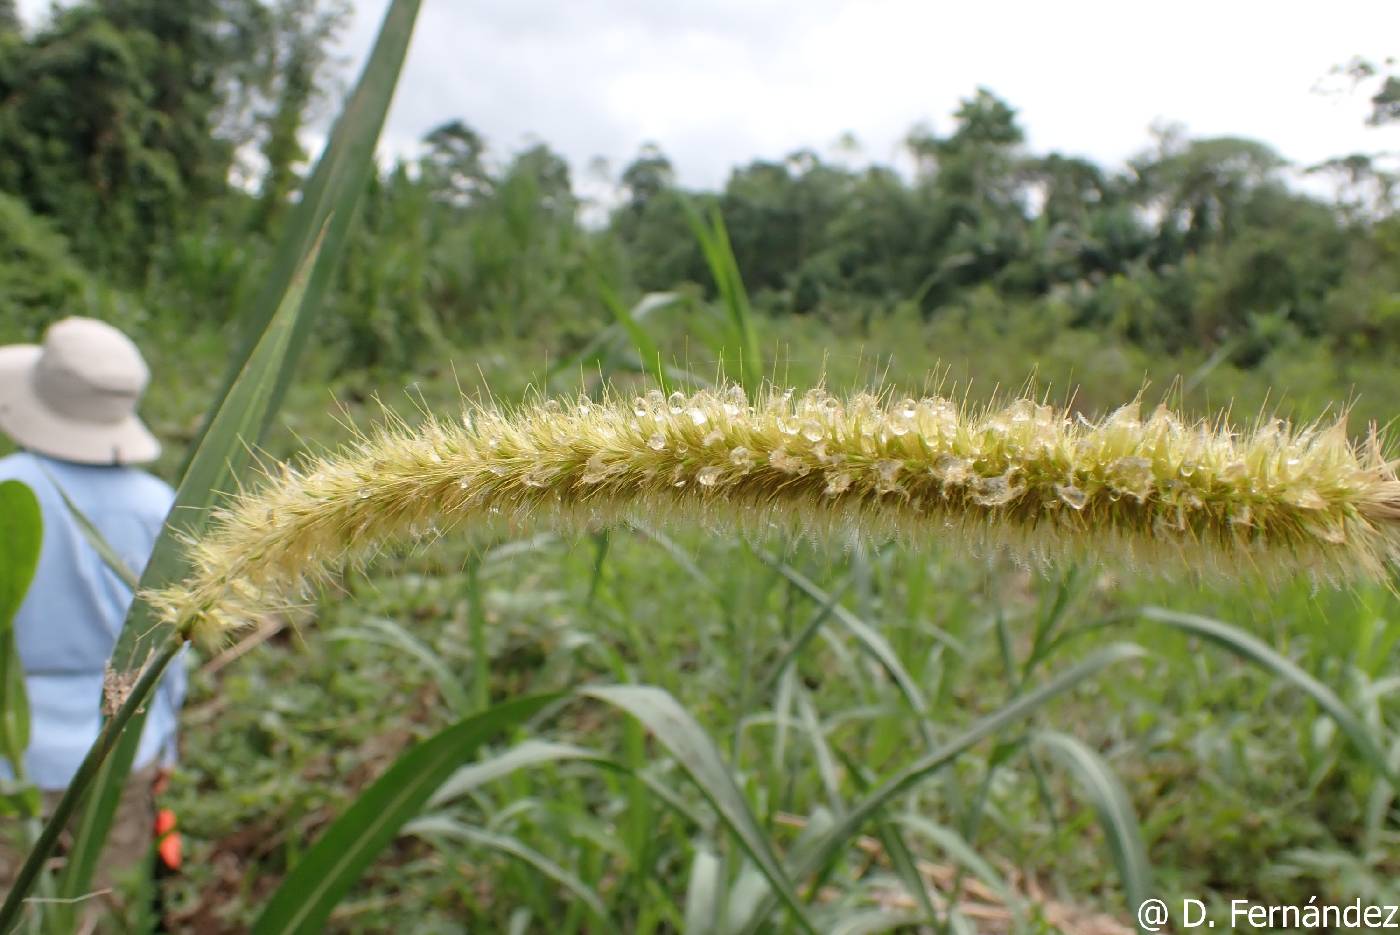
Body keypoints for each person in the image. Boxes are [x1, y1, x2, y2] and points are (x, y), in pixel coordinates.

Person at [0, 317, 184, 919]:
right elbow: (173, 646)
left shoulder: (8, 492)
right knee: (96, 906)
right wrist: (167, 744)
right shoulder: (160, 506)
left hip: (13, 758)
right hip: (122, 751)